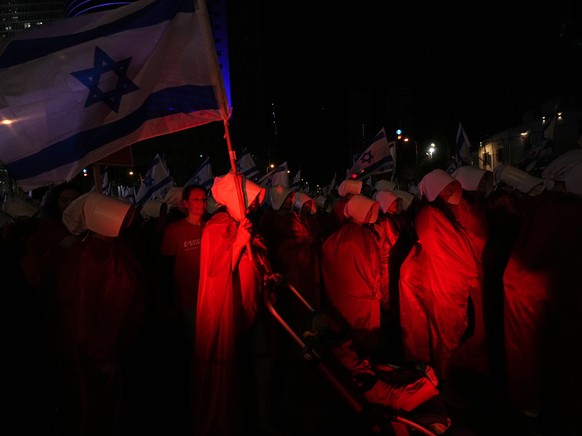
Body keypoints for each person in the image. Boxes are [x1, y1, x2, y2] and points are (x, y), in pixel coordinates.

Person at [54, 192, 146, 436]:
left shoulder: (110, 248)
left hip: (116, 345)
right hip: (97, 355)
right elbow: (81, 310)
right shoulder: (90, 255)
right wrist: (99, 354)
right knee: (97, 414)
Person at [192, 171, 270, 436]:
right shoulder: (217, 226)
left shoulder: (246, 225)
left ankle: (257, 417)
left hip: (253, 308)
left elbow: (257, 263)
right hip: (230, 312)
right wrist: (237, 245)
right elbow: (214, 274)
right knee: (234, 369)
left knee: (253, 366)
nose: (254, 207)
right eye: (250, 202)